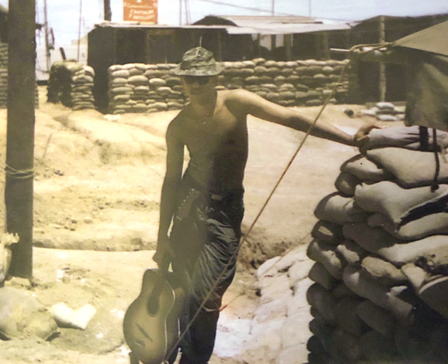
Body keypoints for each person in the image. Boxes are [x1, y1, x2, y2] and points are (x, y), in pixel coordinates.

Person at [153, 47, 373, 364]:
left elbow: (289, 116)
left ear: (215, 76)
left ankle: (193, 359)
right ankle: (168, 349)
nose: (196, 84)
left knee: (208, 293)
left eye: (202, 77)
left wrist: (350, 139)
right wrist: (163, 237)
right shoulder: (178, 126)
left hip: (224, 212)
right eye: (190, 78)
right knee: (182, 289)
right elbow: (171, 181)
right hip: (188, 210)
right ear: (182, 82)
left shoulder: (236, 102)